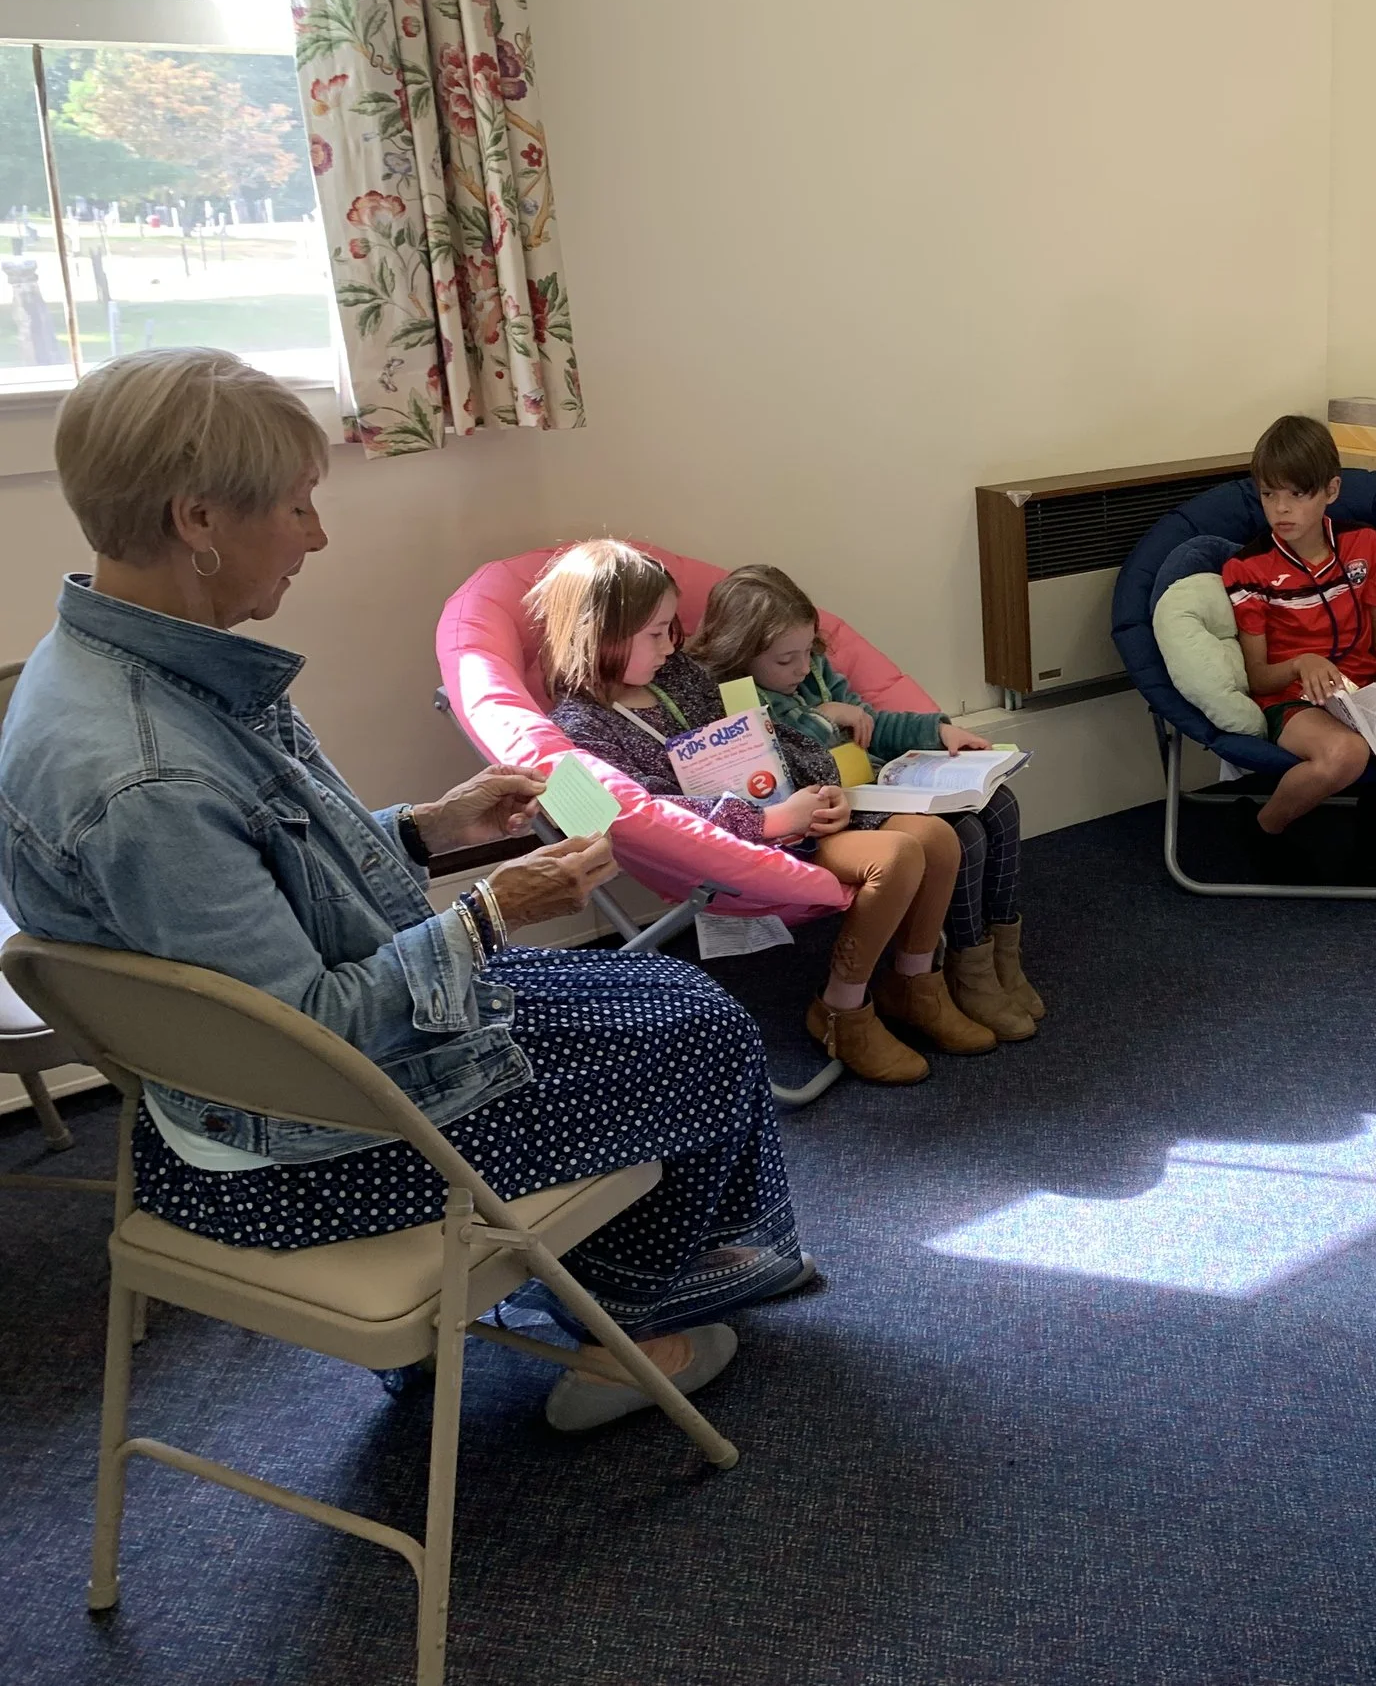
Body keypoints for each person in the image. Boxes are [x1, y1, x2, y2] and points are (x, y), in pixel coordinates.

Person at [0, 349, 807, 1434]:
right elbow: (303, 1033)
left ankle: (582, 1292)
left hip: (230, 1111)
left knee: (655, 1006)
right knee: (700, 1027)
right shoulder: (148, 774)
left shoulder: (104, 673)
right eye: (297, 507)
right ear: (198, 519)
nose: (317, 535)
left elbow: (248, 904)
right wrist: (493, 910)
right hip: (308, 1157)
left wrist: (429, 831)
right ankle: (622, 1328)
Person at [534, 541, 994, 1091]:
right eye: (655, 633)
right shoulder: (581, 727)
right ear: (602, 634)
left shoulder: (678, 675)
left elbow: (759, 731)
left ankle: (914, 984)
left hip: (791, 811)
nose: (670, 644)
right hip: (738, 845)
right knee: (896, 856)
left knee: (939, 839)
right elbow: (644, 813)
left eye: (670, 628)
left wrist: (820, 785)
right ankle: (841, 1009)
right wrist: (770, 822)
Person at [683, 564, 1044, 1042]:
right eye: (785, 660)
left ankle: (993, 960)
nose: (801, 669)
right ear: (740, 653)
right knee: (965, 833)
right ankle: (957, 967)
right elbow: (790, 755)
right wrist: (827, 716)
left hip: (876, 786)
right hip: (831, 813)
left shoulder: (809, 671)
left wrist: (937, 731)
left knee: (1000, 804)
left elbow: (869, 720)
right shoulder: (732, 699)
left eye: (807, 653)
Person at [1224, 414, 1376, 838]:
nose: (1281, 508)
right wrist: (1301, 663)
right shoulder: (1247, 569)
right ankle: (1264, 829)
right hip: (1293, 699)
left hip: (1363, 692)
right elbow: (1257, 676)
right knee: (1345, 754)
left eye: (1298, 494)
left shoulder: (1364, 544)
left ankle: (1374, 820)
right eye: (1269, 494)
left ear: (1331, 491)